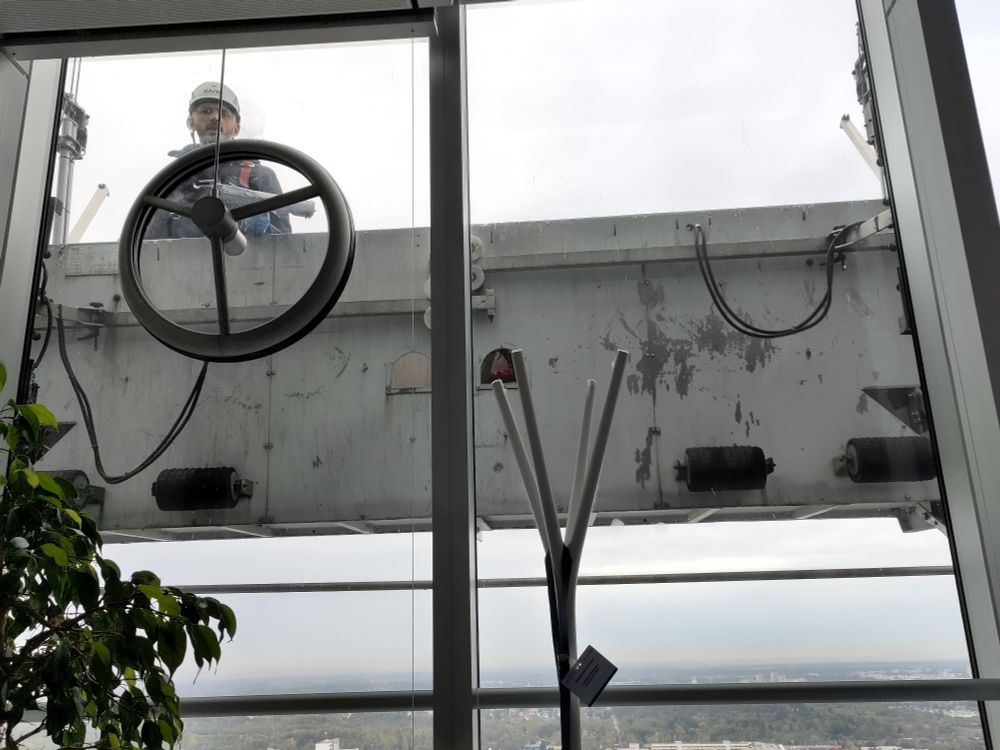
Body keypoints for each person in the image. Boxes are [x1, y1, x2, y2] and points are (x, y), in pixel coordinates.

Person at [145, 81, 292, 239]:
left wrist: (264, 230)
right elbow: (145, 239)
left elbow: (284, 243)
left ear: (237, 127)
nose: (215, 118)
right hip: (181, 262)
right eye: (206, 111)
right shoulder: (174, 178)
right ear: (191, 122)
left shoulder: (261, 176)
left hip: (247, 263)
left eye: (224, 114)